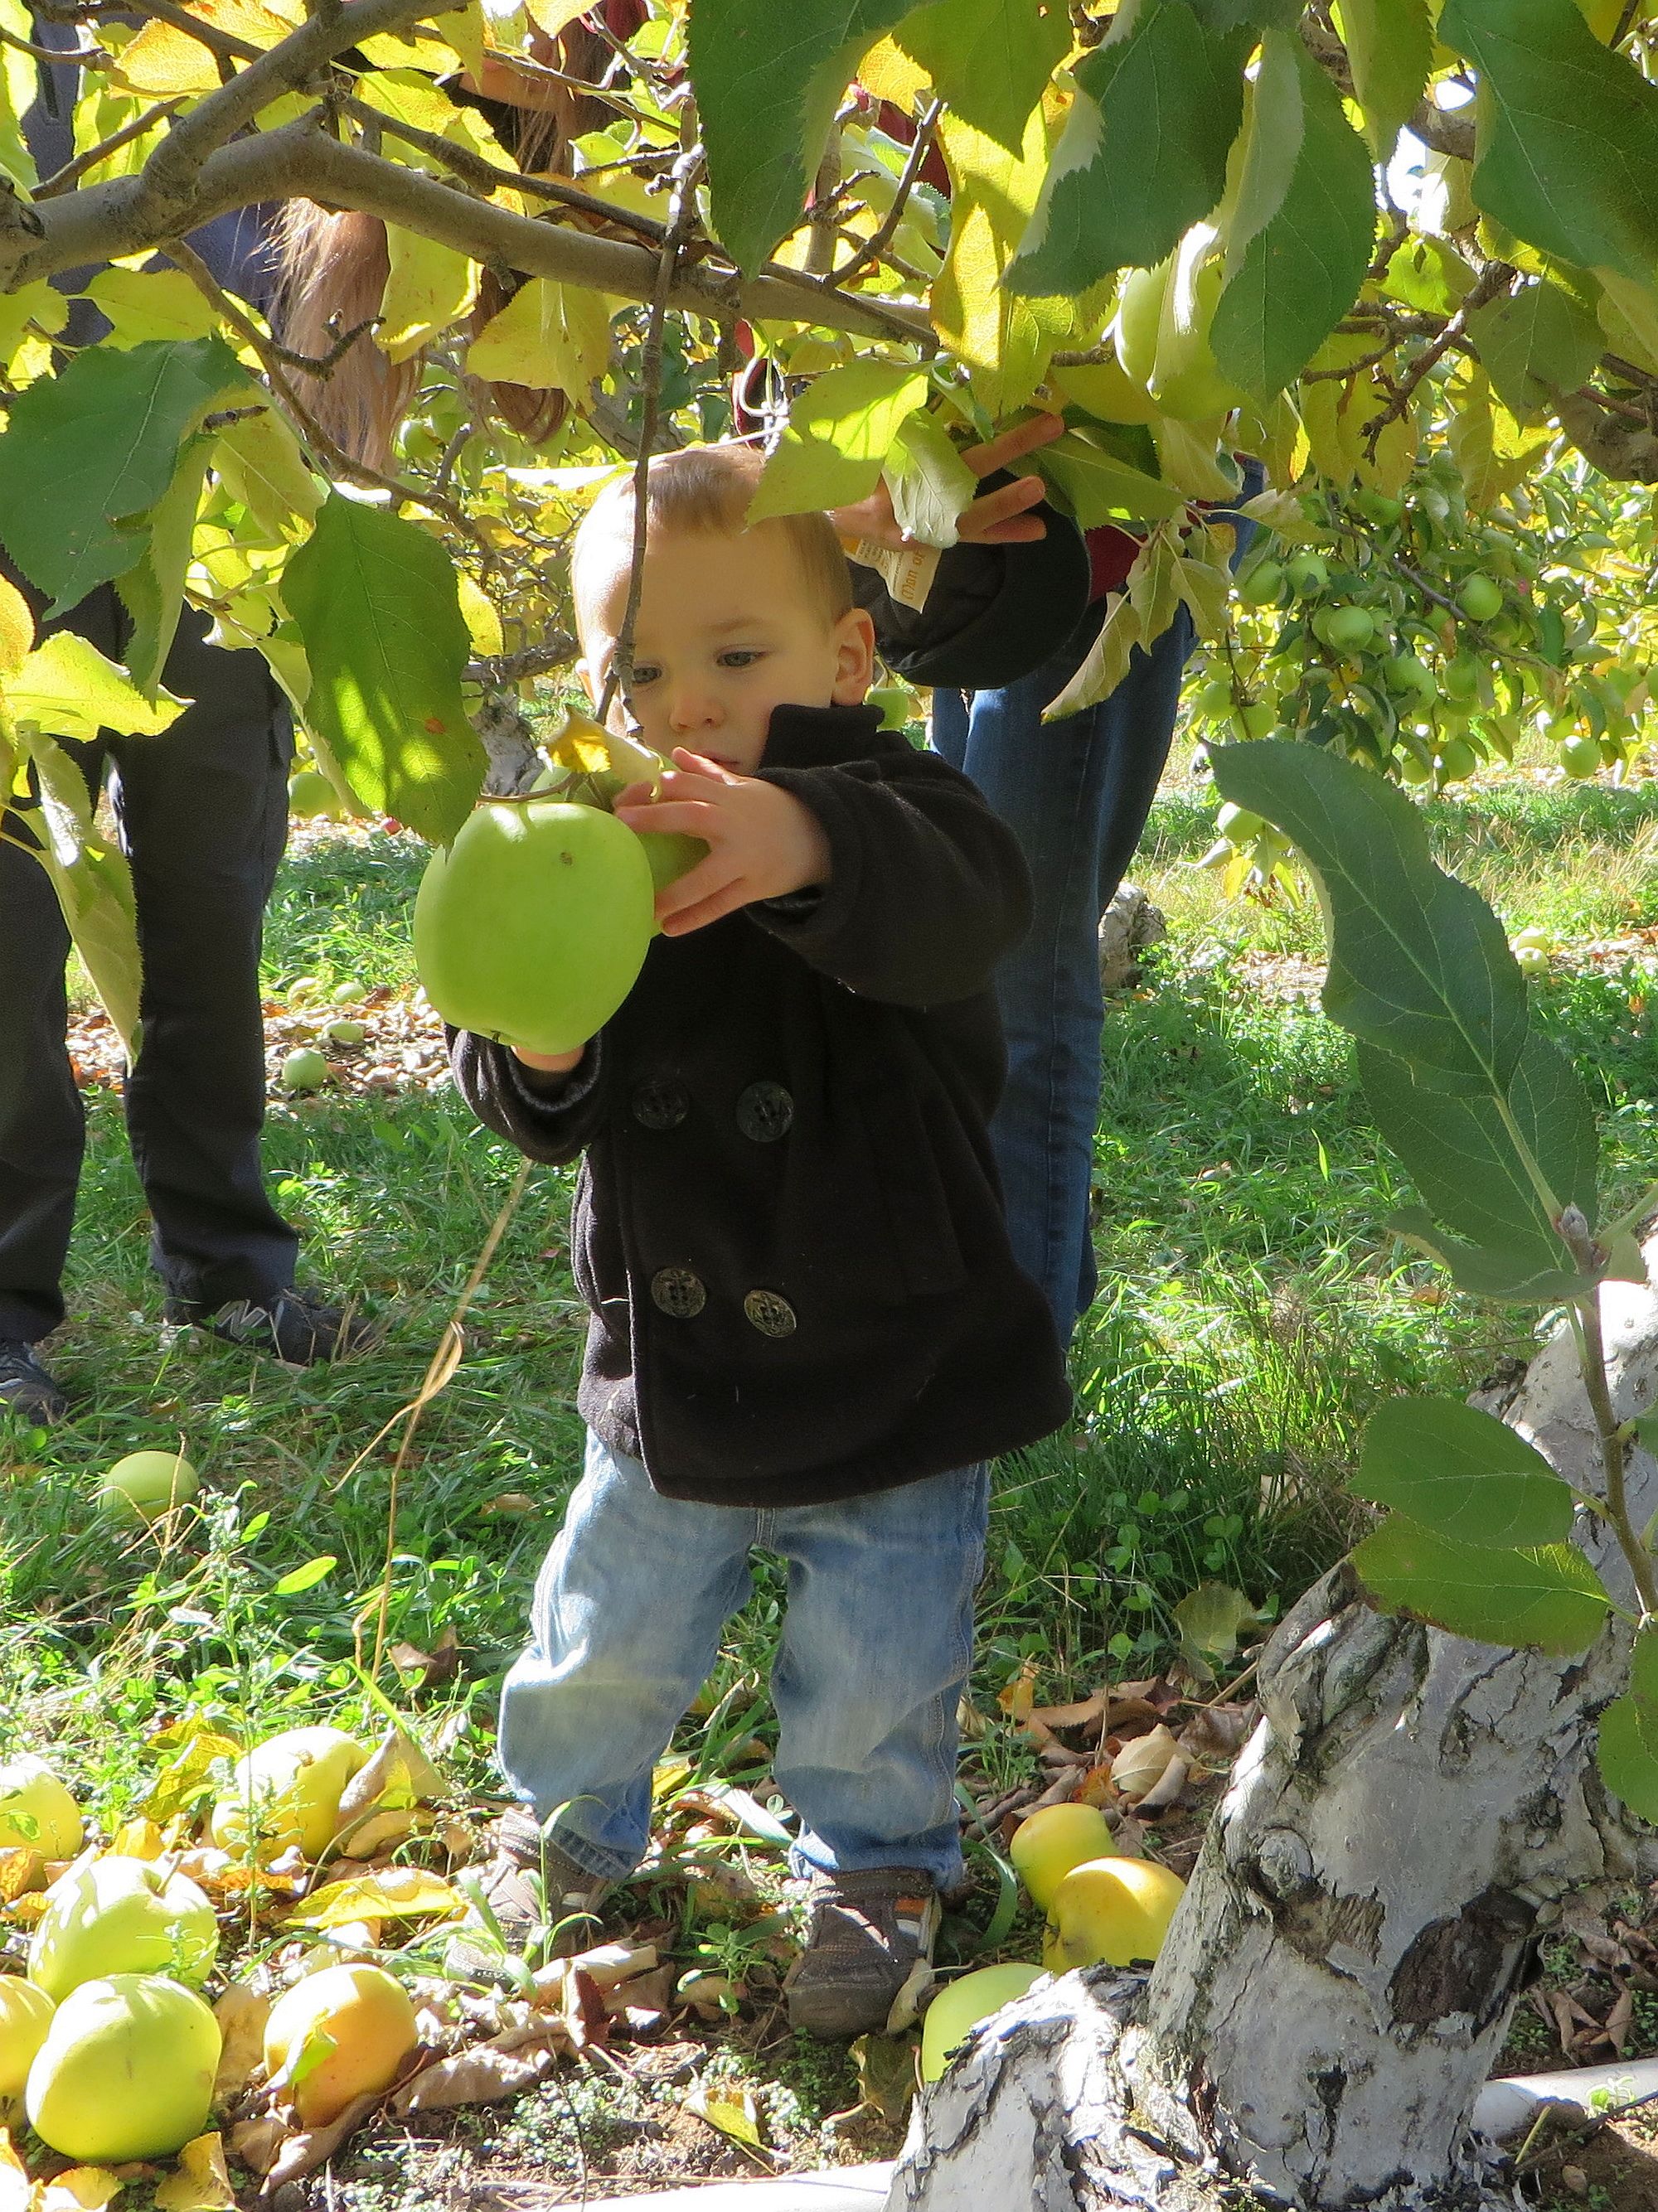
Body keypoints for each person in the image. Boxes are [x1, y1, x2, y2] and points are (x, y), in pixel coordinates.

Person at [444, 442, 1077, 2035]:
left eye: (737, 657)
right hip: (680, 1359)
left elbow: (975, 903)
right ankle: (568, 1814)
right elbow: (533, 1075)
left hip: (896, 1347)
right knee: (608, 1627)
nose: (690, 705)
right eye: (642, 668)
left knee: (880, 1656)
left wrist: (803, 843)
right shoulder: (591, 837)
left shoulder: (897, 805)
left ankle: (877, 1859)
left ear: (848, 658)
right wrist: (540, 1044)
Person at [0, 18, 373, 1424]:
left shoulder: (266, 35)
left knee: (212, 905)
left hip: (220, 521)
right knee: (7, 926)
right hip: (18, 529)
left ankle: (225, 1263)